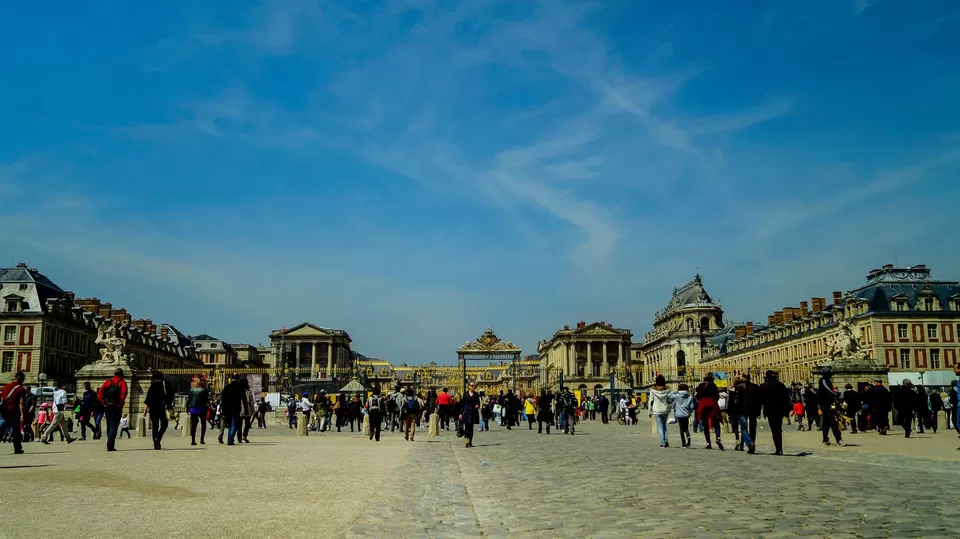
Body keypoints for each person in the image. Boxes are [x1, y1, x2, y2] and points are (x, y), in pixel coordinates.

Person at [98, 367, 129, 452]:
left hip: (107, 405)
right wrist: (120, 404)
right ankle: (110, 445)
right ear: (122, 374)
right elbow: (123, 394)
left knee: (109, 424)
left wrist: (103, 402)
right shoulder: (122, 382)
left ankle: (109, 442)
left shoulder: (108, 381)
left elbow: (100, 392)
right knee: (114, 426)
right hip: (116, 406)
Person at [760, 370, 791, 455]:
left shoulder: (764, 386)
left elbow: (761, 400)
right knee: (778, 429)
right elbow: (786, 398)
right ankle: (780, 448)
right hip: (780, 410)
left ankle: (777, 449)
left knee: (773, 430)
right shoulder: (781, 385)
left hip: (769, 410)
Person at [816, 368, 846, 447]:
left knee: (826, 422)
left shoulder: (827, 380)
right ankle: (838, 439)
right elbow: (827, 389)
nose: (831, 374)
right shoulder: (823, 380)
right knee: (833, 421)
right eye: (829, 372)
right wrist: (837, 394)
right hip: (825, 404)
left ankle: (825, 439)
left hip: (830, 403)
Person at [0, 372, 27, 454]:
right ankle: (17, 448)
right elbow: (21, 403)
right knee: (16, 431)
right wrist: (22, 415)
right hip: (14, 412)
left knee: (1, 428)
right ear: (21, 380)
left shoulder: (5, 387)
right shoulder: (21, 389)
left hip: (4, 411)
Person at [696, 373, 723, 450]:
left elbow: (698, 396)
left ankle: (708, 442)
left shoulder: (700, 385)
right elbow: (717, 396)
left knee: (705, 424)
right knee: (716, 422)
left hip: (703, 404)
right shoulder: (713, 385)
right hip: (712, 403)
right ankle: (718, 437)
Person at [648, 375, 671, 448]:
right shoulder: (667, 390)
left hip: (657, 410)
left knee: (660, 426)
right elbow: (670, 400)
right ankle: (666, 440)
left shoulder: (653, 390)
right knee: (664, 425)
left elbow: (650, 401)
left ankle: (662, 442)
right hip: (665, 409)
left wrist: (649, 412)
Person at [670, 384, 696, 448]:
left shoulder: (677, 396)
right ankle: (688, 437)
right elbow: (692, 406)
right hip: (686, 414)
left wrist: (675, 392)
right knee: (686, 428)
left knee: (681, 429)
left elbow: (669, 395)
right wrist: (689, 411)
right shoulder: (689, 396)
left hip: (679, 414)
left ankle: (683, 443)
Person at [187, 378, 210, 445]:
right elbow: (206, 399)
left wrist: (188, 408)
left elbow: (189, 399)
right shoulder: (204, 390)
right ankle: (202, 439)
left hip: (193, 408)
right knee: (203, 424)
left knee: (193, 425)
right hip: (202, 408)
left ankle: (193, 440)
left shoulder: (192, 390)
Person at [459, 382, 481, 448]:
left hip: (473, 411)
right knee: (467, 426)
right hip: (466, 411)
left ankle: (470, 440)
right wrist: (460, 413)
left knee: (471, 427)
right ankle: (466, 440)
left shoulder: (476, 394)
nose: (473, 386)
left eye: (474, 385)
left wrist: (477, 405)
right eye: (472, 385)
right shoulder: (465, 394)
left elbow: (478, 402)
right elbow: (462, 405)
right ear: (468, 386)